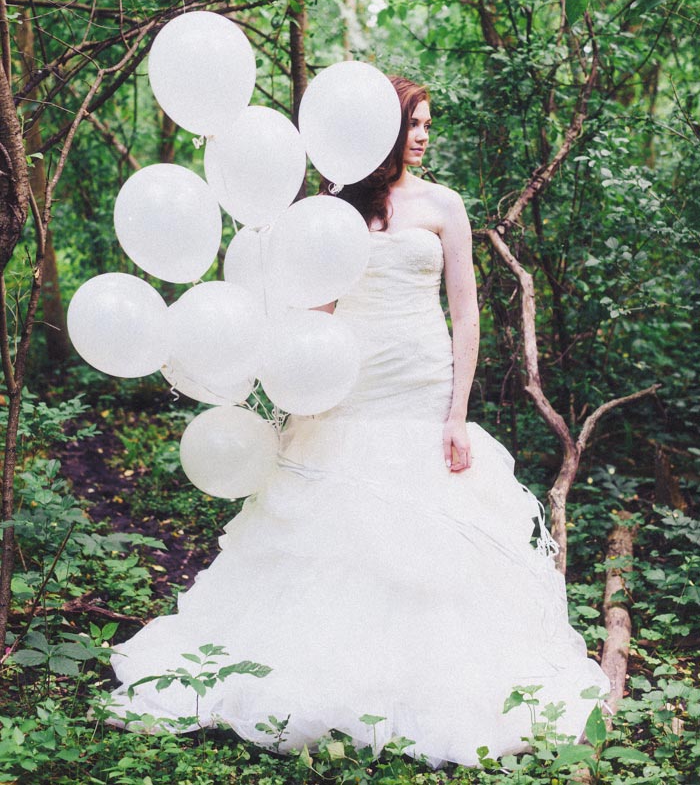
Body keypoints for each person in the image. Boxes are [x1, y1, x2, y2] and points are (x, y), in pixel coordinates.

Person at [107, 76, 609, 766]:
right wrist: (296, 380)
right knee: (329, 514)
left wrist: (458, 414)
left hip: (424, 378)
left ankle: (427, 677)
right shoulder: (332, 208)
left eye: (428, 123)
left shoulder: (445, 206)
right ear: (379, 132)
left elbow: (465, 313)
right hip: (349, 377)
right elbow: (317, 305)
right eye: (412, 125)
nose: (424, 136)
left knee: (429, 519)